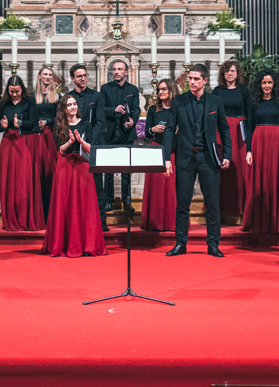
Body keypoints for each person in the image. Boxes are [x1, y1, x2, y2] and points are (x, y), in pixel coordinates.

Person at [162, 64, 232, 257]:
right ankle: (181, 243)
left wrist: (227, 155)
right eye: (190, 78)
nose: (191, 82)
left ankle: (213, 244)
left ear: (205, 81)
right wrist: (166, 158)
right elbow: (169, 129)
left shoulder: (215, 101)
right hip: (186, 157)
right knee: (183, 202)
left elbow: (224, 129)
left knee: (212, 203)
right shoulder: (179, 101)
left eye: (195, 79)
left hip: (208, 158)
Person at [44, 94, 107, 257]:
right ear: (63, 109)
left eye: (74, 104)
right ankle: (64, 244)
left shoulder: (85, 123)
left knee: (84, 205)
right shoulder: (59, 125)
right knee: (66, 204)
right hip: (65, 167)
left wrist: (80, 141)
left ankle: (88, 245)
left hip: (83, 167)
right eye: (69, 105)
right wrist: (71, 142)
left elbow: (90, 147)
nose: (73, 107)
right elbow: (60, 149)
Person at [0, 74, 44, 231]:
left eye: (17, 91)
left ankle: (25, 217)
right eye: (11, 91)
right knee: (8, 180)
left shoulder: (29, 101)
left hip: (24, 142)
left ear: (22, 89)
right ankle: (10, 218)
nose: (14, 94)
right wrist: (2, 127)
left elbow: (35, 125)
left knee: (24, 181)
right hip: (8, 142)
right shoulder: (3, 103)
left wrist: (21, 123)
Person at [242, 70, 279, 234]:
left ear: (274, 85)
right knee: (259, 180)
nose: (267, 86)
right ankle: (257, 221)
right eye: (264, 83)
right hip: (258, 142)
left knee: (275, 178)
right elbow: (249, 127)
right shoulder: (255, 103)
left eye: (270, 82)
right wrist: (248, 150)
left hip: (277, 142)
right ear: (259, 85)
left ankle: (276, 223)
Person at [98, 59, 140, 214]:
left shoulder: (133, 89)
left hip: (126, 133)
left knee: (126, 169)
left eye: (120, 69)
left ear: (126, 72)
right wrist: (113, 110)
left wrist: (133, 120)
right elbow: (100, 109)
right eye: (114, 69)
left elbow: (136, 108)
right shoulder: (105, 88)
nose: (116, 72)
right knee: (108, 170)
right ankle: (109, 201)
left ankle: (126, 201)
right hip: (109, 133)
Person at [212, 59, 251, 221]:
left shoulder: (244, 91)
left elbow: (249, 114)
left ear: (237, 73)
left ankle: (241, 209)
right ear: (223, 73)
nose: (229, 73)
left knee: (241, 170)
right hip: (221, 131)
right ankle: (220, 209)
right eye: (227, 71)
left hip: (239, 132)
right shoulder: (217, 91)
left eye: (232, 71)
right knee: (221, 168)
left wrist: (249, 140)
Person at [68, 63, 107, 226]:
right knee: (78, 184)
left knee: (97, 184)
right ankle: (78, 221)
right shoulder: (68, 98)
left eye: (85, 75)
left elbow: (99, 122)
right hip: (73, 147)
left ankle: (101, 221)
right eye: (79, 76)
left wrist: (87, 141)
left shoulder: (96, 96)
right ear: (72, 79)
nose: (83, 79)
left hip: (92, 145)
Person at [140, 78, 178, 232]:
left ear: (171, 90)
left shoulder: (178, 109)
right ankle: (154, 221)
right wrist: (153, 129)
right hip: (156, 149)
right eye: (159, 90)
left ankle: (172, 223)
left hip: (174, 151)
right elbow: (146, 132)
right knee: (155, 187)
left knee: (171, 188)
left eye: (164, 89)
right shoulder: (153, 110)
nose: (161, 92)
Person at [29, 66, 62, 218]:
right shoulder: (31, 97)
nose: (48, 77)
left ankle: (51, 211)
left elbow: (61, 118)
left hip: (51, 136)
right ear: (40, 76)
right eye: (45, 74)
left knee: (50, 170)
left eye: (50, 75)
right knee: (37, 172)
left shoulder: (58, 96)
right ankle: (38, 211)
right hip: (36, 137)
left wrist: (47, 121)